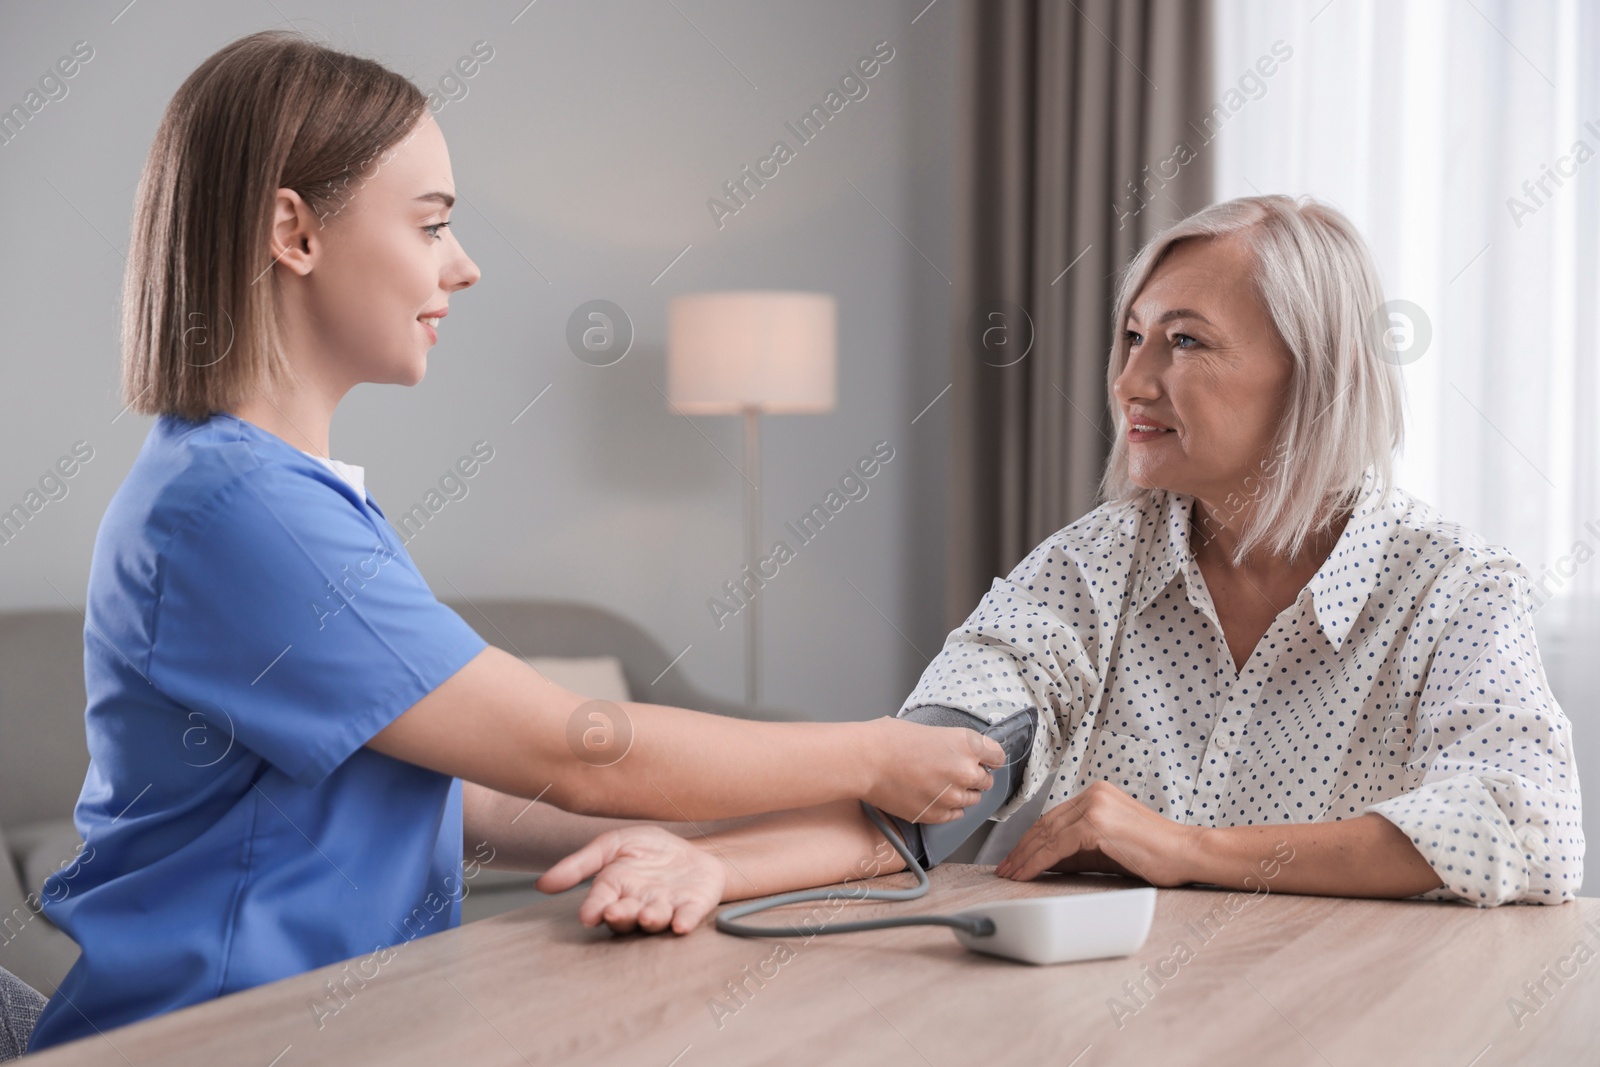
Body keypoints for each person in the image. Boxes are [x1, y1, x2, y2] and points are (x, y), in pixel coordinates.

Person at [24, 32, 1004, 1053]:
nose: (464, 264)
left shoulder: (262, 490)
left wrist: (691, 841)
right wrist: (870, 751)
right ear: (293, 232)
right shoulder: (242, 510)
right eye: (432, 224)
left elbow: (467, 789)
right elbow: (567, 746)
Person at [537, 194, 1585, 934]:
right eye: (1130, 336)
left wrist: (1188, 849)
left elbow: (1527, 828)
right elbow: (921, 776)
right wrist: (711, 862)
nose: (1131, 378)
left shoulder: (1451, 586)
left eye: (1184, 341)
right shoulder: (1092, 568)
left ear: (1310, 373)